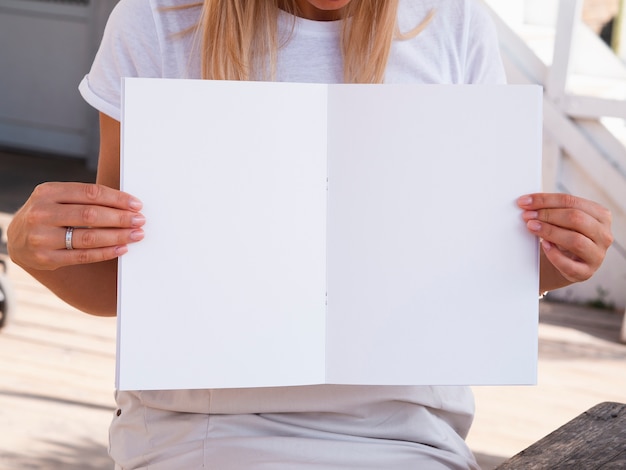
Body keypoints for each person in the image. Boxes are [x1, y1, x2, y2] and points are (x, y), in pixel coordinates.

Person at [7, 0, 614, 468]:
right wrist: (35, 251)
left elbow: (462, 268)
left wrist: (552, 263)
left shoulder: (450, 21)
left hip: (405, 436)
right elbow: (121, 281)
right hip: (197, 432)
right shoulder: (157, 21)